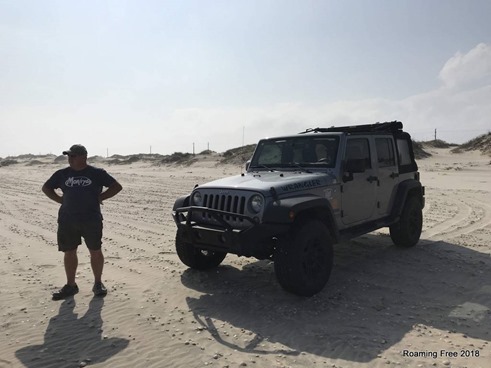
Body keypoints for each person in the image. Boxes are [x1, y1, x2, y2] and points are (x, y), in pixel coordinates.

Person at [42, 144, 122, 300]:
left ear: (83, 157)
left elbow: (116, 186)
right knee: (69, 251)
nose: (70, 159)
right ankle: (71, 285)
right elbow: (46, 188)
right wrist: (60, 200)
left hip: (91, 218)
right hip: (67, 219)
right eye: (68, 156)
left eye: (73, 156)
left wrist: (100, 198)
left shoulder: (96, 173)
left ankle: (98, 283)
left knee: (95, 250)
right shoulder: (62, 174)